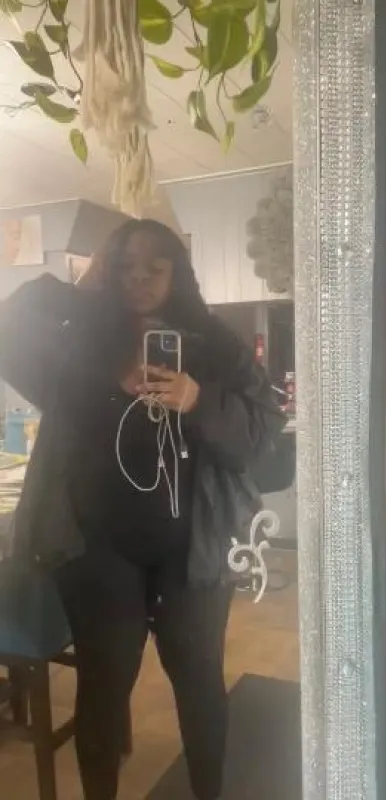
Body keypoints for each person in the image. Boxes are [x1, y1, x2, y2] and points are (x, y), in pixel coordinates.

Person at [0, 218, 285, 800]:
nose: (138, 279)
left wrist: (198, 399)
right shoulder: (80, 339)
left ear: (178, 271)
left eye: (154, 267)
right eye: (125, 267)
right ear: (108, 271)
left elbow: (261, 441)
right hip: (98, 549)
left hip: (194, 551)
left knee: (200, 682)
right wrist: (81, 296)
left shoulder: (215, 342)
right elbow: (9, 327)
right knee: (104, 688)